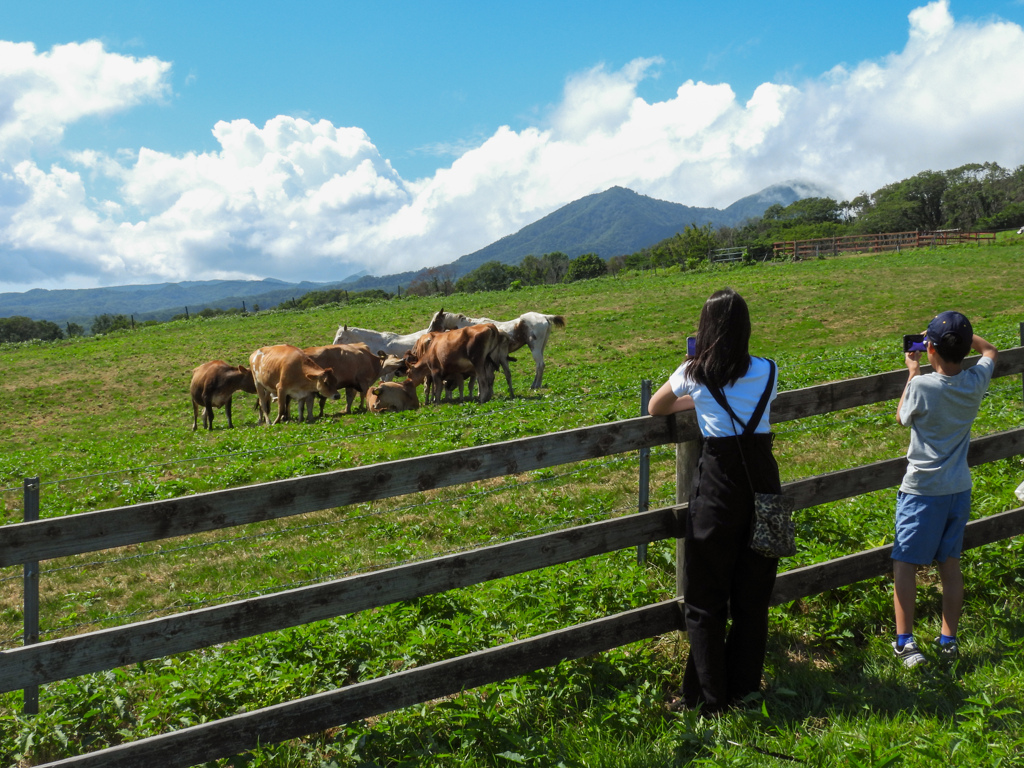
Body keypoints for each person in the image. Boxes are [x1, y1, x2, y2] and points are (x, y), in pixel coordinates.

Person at [649, 287, 782, 715]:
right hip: (765, 488)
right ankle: (745, 691)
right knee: (753, 596)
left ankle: (708, 700)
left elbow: (657, 407)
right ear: (745, 329)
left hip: (719, 490)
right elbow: (752, 404)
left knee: (705, 600)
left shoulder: (692, 372)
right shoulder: (769, 369)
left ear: (705, 330)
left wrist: (699, 394)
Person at [891, 311, 997, 667]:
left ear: (929, 348)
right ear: (964, 349)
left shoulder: (921, 385)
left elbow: (901, 416)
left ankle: (904, 642)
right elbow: (991, 351)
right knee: (950, 566)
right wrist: (964, 337)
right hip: (958, 488)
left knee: (905, 563)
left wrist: (912, 371)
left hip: (922, 490)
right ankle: (948, 640)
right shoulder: (974, 382)